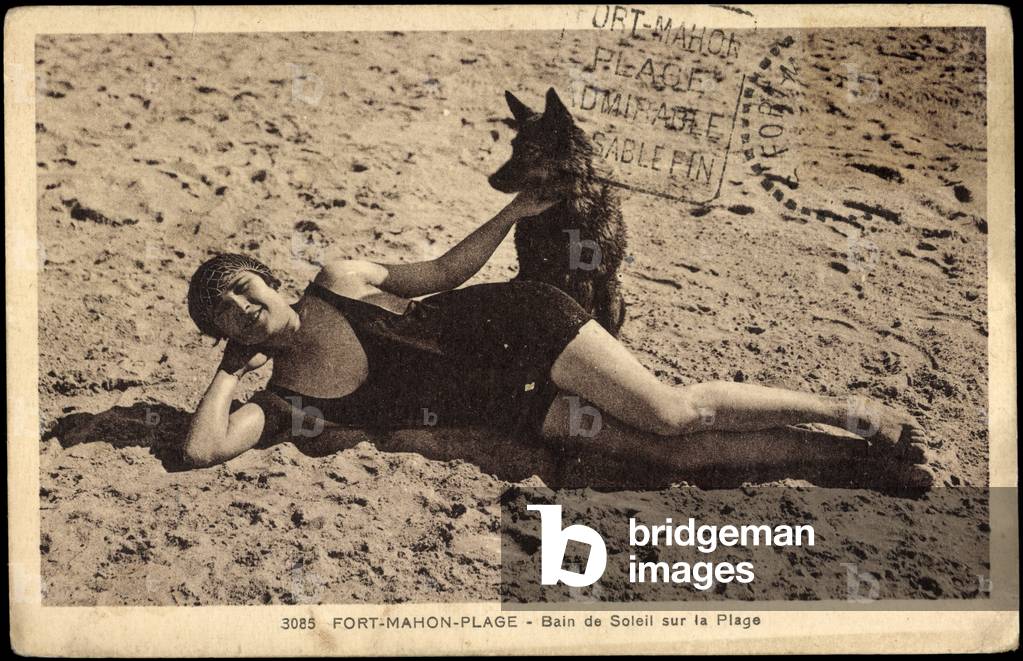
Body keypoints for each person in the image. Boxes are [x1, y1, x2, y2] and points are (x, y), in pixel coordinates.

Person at [182, 190, 932, 487]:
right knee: (674, 454)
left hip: (521, 327)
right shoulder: (285, 401)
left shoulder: (339, 277)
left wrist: (512, 212)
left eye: (247, 291)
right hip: (512, 405)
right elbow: (200, 450)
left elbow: (444, 269)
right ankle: (850, 462)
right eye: (230, 317)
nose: (247, 312)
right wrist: (227, 374)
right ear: (224, 335)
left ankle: (847, 411)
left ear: (269, 279)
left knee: (671, 411)